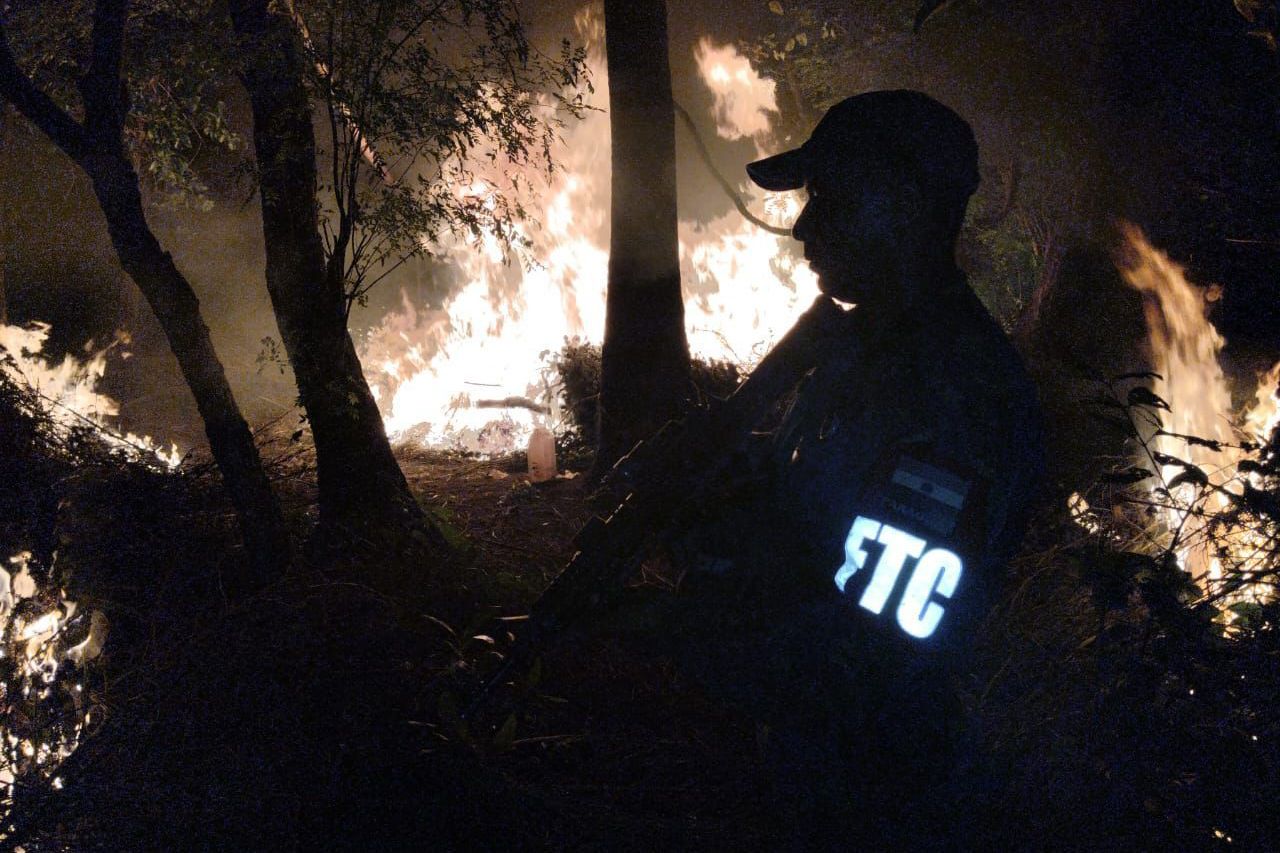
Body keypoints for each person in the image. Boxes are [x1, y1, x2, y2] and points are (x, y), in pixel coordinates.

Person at [661, 90, 1046, 849]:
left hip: (887, 803)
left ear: (900, 207)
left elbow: (867, 659)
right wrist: (699, 497)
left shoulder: (958, 392)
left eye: (828, 198)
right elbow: (802, 517)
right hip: (819, 783)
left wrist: (671, 626)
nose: (804, 225)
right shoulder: (869, 349)